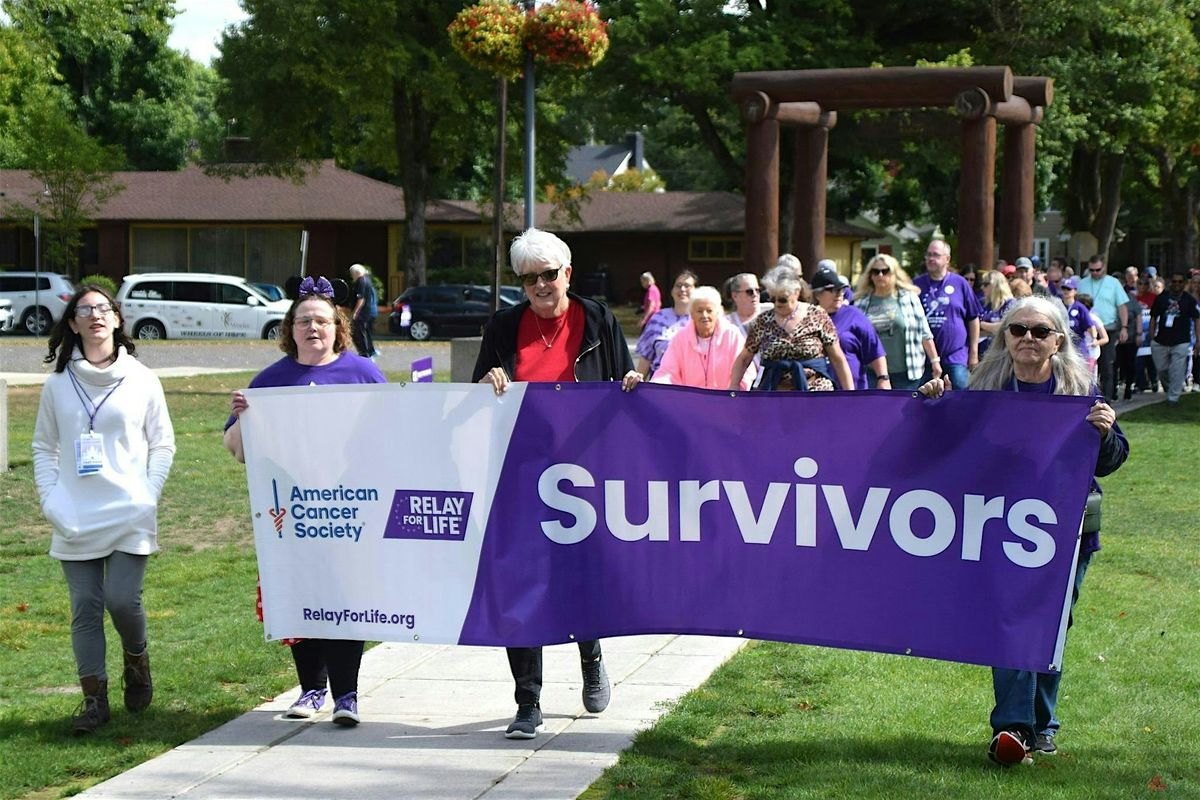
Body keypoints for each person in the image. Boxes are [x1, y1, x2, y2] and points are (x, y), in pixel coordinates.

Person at [918, 296, 1128, 767]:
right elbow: (948, 445)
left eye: (1039, 331)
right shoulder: (985, 389)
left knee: (1053, 624)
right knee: (1009, 618)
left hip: (1067, 529)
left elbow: (1111, 462)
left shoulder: (1080, 389)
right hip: (1000, 525)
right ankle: (1013, 728)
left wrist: (1106, 433)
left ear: (1057, 341)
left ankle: (1042, 726)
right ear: (1004, 338)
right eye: (1017, 330)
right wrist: (929, 404)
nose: (1027, 339)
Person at [473, 227, 641, 739]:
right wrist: (487, 384)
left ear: (567, 273)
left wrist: (632, 386)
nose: (541, 285)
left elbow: (622, 383)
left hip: (584, 474)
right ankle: (528, 702)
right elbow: (479, 391)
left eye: (549, 274)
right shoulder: (503, 326)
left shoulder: (596, 318)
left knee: (580, 575)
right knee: (521, 583)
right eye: (530, 278)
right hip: (520, 471)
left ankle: (591, 656)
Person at [224, 276, 386, 728]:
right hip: (291, 513)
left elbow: (391, 436)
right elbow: (237, 450)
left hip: (351, 508)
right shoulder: (271, 381)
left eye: (321, 321)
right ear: (289, 329)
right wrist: (241, 418)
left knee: (344, 594)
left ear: (338, 326)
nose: (312, 328)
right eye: (302, 321)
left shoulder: (364, 373)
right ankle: (311, 689)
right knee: (299, 593)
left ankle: (347, 695)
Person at [32, 285, 176, 734]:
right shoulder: (57, 384)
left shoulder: (142, 379)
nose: (95, 316)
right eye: (84, 310)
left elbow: (163, 444)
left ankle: (137, 659)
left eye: (103, 308)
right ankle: (94, 701)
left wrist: (147, 495)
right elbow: (43, 448)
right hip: (74, 516)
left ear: (117, 319)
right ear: (72, 323)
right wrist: (51, 501)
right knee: (85, 608)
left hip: (130, 509)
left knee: (121, 600)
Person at [727, 264, 854, 391]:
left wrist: (850, 394)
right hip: (773, 391)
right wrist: (733, 386)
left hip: (814, 390)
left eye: (782, 299)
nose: (776, 304)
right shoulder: (763, 321)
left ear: (796, 293)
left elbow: (837, 358)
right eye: (772, 299)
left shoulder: (817, 315)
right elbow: (744, 359)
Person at [853, 254, 940, 390]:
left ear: (894, 273)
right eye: (875, 272)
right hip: (872, 372)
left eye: (885, 271)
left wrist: (935, 361)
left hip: (907, 372)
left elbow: (925, 333)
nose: (880, 275)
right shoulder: (861, 304)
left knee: (904, 411)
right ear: (870, 276)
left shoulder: (910, 299)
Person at [653, 286, 753, 389]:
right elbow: (667, 371)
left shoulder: (732, 335)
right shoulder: (680, 339)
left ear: (717, 312)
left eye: (709, 311)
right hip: (690, 401)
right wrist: (656, 385)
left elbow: (746, 369)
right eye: (699, 311)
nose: (704, 315)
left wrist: (736, 391)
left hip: (725, 400)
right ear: (691, 314)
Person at [915, 239, 981, 388]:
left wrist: (973, 352)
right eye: (929, 255)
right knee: (922, 402)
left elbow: (973, 318)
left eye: (936, 255)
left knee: (961, 398)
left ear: (947, 259)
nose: (931, 259)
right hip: (924, 358)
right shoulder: (916, 285)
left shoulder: (960, 283)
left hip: (955, 356)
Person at [811, 267, 888, 389]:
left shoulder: (854, 316)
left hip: (853, 391)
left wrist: (883, 378)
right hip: (816, 391)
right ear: (817, 294)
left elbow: (874, 350)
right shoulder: (808, 318)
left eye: (841, 289)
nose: (839, 294)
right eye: (832, 290)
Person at [1077, 255, 1129, 401]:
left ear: (1104, 267)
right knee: (1086, 366)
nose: (1095, 273)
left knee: (1107, 366)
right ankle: (1087, 397)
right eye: (1092, 270)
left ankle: (1106, 399)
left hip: (1108, 328)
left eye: (1098, 270)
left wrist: (1124, 327)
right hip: (1087, 330)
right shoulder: (1083, 283)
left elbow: (1122, 306)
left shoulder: (1113, 283)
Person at [1148, 272, 1200, 404]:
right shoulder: (1162, 298)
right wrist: (1152, 335)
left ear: (1184, 284)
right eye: (1174, 281)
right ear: (1170, 282)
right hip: (1161, 340)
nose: (1177, 284)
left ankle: (1173, 398)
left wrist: (1198, 340)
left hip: (1181, 341)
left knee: (1177, 370)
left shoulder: (1189, 300)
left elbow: (1197, 319)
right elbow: (1153, 317)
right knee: (1161, 369)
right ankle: (1170, 389)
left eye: (1180, 282)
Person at [635, 270, 696, 376]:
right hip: (661, 385)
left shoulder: (702, 319)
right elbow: (646, 358)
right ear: (672, 291)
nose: (682, 289)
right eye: (678, 285)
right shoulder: (658, 319)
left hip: (692, 385)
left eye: (687, 286)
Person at [977, 269, 1014, 356]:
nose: (982, 287)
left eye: (985, 284)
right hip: (980, 351)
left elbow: (1004, 328)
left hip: (1000, 353)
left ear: (996, 285)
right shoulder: (982, 303)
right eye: (981, 284)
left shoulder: (1010, 304)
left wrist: (981, 325)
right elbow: (971, 325)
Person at [724, 272, 769, 336]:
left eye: (757, 290)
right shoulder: (726, 322)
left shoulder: (773, 311)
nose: (755, 294)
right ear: (735, 296)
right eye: (750, 292)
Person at [348, 264, 378, 359]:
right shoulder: (367, 280)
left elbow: (361, 299)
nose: (352, 276)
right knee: (365, 332)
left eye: (352, 274)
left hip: (362, 312)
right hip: (367, 311)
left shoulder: (361, 281)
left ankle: (364, 353)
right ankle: (369, 351)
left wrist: (355, 312)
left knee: (358, 332)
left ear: (356, 273)